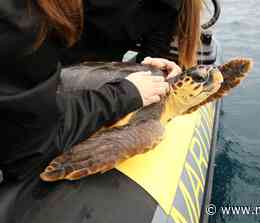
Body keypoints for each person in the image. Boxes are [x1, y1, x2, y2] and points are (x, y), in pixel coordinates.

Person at [0, 0, 199, 183]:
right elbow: (28, 144)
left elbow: (154, 51)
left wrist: (152, 68)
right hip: (46, 75)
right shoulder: (22, 20)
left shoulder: (169, 5)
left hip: (97, 78)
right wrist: (123, 94)